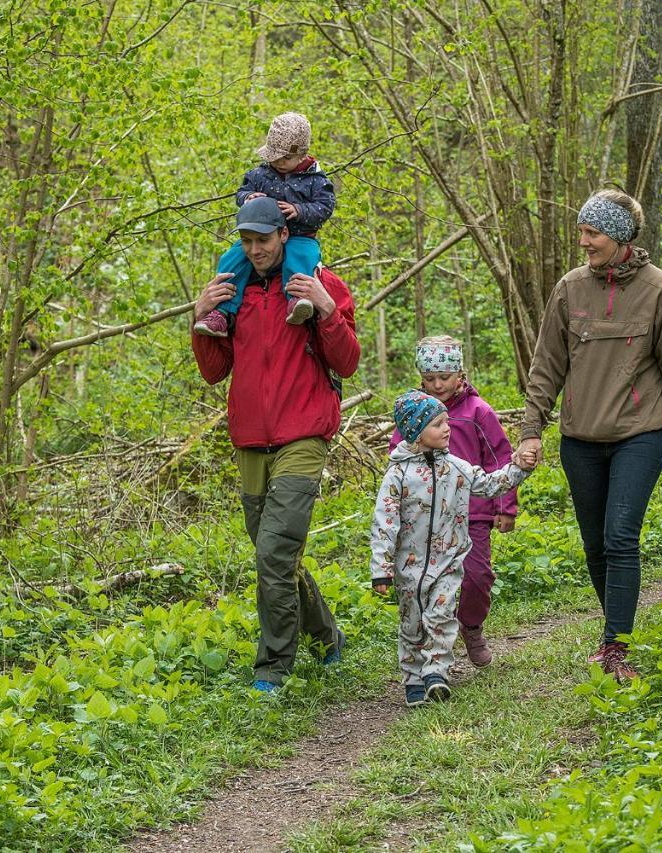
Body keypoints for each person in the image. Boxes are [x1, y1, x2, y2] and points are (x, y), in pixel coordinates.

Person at [517, 188, 662, 682]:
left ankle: (616, 646)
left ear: (618, 236)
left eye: (591, 232)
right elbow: (546, 365)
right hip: (581, 438)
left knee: (621, 536)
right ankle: (616, 629)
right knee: (595, 545)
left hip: (639, 435)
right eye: (581, 230)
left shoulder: (660, 291)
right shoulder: (569, 289)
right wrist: (531, 428)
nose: (582, 241)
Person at [190, 195, 360, 694]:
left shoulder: (318, 284)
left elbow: (347, 362)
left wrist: (327, 311)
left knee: (273, 550)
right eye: (246, 241)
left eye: (262, 240)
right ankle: (327, 635)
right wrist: (198, 317)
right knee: (276, 555)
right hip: (249, 437)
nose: (255, 249)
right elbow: (213, 371)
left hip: (304, 432)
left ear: (284, 235)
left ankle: (274, 666)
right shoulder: (234, 289)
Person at [370, 390, 536, 708]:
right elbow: (384, 523)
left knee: (442, 616)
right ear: (417, 433)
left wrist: (519, 469)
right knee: (412, 623)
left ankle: (436, 674)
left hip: (448, 560)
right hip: (409, 567)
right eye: (438, 424)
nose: (447, 429)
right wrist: (382, 568)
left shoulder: (457, 467)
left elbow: (489, 483)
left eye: (447, 422)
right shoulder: (398, 476)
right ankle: (414, 679)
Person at [388, 335, 517, 668]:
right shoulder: (415, 413)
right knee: (426, 583)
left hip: (471, 513)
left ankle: (471, 626)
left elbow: (498, 458)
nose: (437, 384)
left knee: (477, 576)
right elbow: (397, 456)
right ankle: (427, 646)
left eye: (444, 377)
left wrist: (505, 507)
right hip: (425, 518)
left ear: (460, 374)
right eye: (429, 379)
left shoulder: (477, 412)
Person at [194, 112, 337, 337]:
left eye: (284, 159)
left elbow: (325, 207)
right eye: (275, 158)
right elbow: (242, 191)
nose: (278, 163)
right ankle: (222, 312)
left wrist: (299, 210)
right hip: (261, 235)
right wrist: (247, 198)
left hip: (300, 235)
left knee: (302, 258)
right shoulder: (261, 173)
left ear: (301, 155)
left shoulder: (316, 180)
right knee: (231, 259)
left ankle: (297, 301)